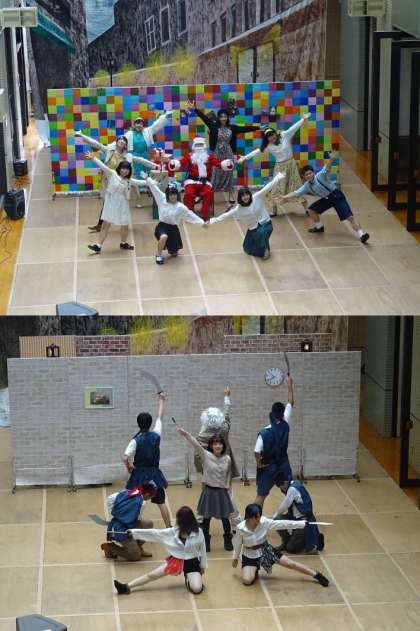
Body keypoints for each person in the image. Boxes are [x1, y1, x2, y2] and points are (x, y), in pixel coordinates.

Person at [280, 150, 370, 243]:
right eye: (306, 175)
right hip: (327, 199)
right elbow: (296, 193)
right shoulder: (307, 186)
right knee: (311, 210)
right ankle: (319, 227)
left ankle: (362, 234)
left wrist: (331, 158)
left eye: (310, 173)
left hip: (336, 196)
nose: (309, 175)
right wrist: (284, 197)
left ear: (313, 173)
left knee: (349, 217)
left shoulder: (320, 175)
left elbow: (328, 166)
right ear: (303, 177)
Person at [113, 506, 207, 595]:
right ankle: (126, 586)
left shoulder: (199, 532)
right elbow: (154, 533)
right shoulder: (172, 532)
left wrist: (202, 566)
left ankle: (189, 578)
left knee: (197, 589)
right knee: (152, 575)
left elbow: (203, 549)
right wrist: (133, 533)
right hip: (176, 560)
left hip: (192, 563)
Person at [232, 503, 329, 587]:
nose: (259, 519)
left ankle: (316, 574)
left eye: (260, 516)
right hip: (249, 555)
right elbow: (237, 544)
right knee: (247, 580)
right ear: (249, 517)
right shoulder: (240, 528)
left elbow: (283, 524)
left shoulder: (264, 522)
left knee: (290, 564)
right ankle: (255, 569)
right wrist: (235, 558)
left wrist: (301, 524)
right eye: (256, 517)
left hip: (266, 550)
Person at [187, 100, 259, 207]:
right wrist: (195, 109)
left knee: (229, 173)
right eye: (221, 116)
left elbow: (245, 129)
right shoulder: (213, 126)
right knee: (215, 173)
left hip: (228, 153)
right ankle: (207, 194)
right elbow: (204, 118)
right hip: (217, 152)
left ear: (227, 117)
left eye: (225, 116)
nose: (223, 118)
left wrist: (258, 128)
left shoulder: (232, 128)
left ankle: (231, 194)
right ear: (219, 117)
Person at [237, 114, 311, 217]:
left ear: (275, 133)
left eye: (272, 135)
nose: (271, 138)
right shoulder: (267, 146)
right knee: (276, 188)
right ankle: (274, 210)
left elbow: (293, 128)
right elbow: (257, 151)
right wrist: (245, 157)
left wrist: (302, 119)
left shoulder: (284, 135)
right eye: (269, 137)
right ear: (266, 139)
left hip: (291, 165)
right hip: (280, 168)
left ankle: (307, 209)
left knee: (297, 186)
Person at [176, 426, 234, 552]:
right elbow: (196, 444)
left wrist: (228, 487)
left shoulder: (227, 459)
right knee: (206, 519)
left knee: (225, 518)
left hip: (222, 492)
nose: (218, 446)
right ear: (211, 446)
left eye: (220, 443)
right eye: (215, 444)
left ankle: (227, 540)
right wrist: (186, 434)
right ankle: (206, 542)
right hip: (209, 492)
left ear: (223, 445)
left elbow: (228, 474)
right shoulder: (205, 455)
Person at [194, 386, 241, 532]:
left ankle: (201, 520)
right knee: (228, 493)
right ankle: (236, 522)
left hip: (208, 470)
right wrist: (227, 397)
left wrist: (200, 469)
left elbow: (197, 455)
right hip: (224, 467)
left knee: (205, 494)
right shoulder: (224, 429)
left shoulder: (202, 435)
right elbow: (226, 415)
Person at [208, 171, 285, 260]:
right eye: (243, 196)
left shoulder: (257, 197)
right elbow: (225, 216)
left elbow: (268, 186)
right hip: (253, 228)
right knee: (247, 248)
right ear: (240, 198)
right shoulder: (238, 209)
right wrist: (211, 221)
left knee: (260, 234)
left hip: (266, 224)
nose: (245, 197)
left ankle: (266, 250)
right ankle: (262, 248)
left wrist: (279, 177)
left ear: (249, 194)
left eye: (247, 194)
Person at [123, 391, 171, 528]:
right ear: (150, 423)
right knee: (161, 502)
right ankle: (169, 527)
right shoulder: (156, 434)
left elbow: (125, 457)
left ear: (138, 424)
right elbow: (160, 417)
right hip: (154, 475)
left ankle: (132, 527)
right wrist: (161, 400)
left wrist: (129, 466)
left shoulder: (135, 441)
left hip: (138, 476)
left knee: (135, 501)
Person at [139, 172, 205, 265]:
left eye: (174, 194)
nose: (173, 196)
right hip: (162, 226)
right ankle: (158, 255)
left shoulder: (180, 207)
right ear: (167, 195)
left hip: (173, 229)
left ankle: (172, 249)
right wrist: (147, 178)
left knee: (174, 253)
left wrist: (202, 222)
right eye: (171, 194)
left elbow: (190, 215)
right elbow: (154, 188)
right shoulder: (161, 198)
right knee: (163, 237)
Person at [85, 152, 145, 253]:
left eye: (127, 169)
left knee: (124, 224)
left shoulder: (128, 180)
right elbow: (103, 166)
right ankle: (98, 246)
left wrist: (150, 181)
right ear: (119, 168)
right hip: (110, 203)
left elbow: (140, 182)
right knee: (105, 224)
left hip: (122, 204)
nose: (125, 171)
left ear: (129, 171)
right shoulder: (112, 174)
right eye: (123, 168)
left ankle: (123, 243)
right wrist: (93, 158)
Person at [74, 132, 132, 232]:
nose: (122, 141)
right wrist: (82, 135)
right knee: (108, 203)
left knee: (111, 203)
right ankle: (104, 224)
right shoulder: (109, 150)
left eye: (124, 140)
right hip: (107, 180)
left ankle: (104, 224)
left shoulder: (127, 156)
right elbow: (96, 144)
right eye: (120, 139)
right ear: (116, 142)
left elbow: (137, 163)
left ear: (126, 145)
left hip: (118, 183)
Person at [254, 375, 294, 509]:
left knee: (261, 495)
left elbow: (257, 451)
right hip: (283, 464)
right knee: (290, 491)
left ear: (271, 413)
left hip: (269, 466)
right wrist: (289, 385)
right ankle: (295, 516)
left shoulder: (264, 432)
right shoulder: (286, 422)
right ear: (282, 414)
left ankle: (255, 518)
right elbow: (291, 403)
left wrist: (259, 464)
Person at [169, 137, 234, 220]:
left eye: (201, 145)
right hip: (191, 181)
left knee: (208, 193)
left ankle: (204, 215)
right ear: (194, 146)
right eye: (197, 145)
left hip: (205, 182)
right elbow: (181, 163)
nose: (199, 147)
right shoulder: (189, 156)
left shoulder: (209, 157)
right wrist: (175, 163)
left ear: (204, 146)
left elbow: (219, 164)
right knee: (189, 193)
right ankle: (189, 214)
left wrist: (226, 163)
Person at [121, 111, 173, 207]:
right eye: (137, 123)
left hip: (146, 156)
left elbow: (157, 125)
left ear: (143, 125)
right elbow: (120, 142)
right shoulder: (129, 134)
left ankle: (154, 195)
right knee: (134, 178)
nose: (139, 125)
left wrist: (165, 116)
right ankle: (138, 199)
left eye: (140, 123)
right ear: (134, 125)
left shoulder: (148, 131)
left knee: (150, 175)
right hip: (134, 158)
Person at [100, 482, 157, 561]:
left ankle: (137, 547)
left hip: (115, 523)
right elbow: (136, 520)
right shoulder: (142, 503)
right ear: (147, 494)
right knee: (135, 556)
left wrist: (118, 512)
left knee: (148, 524)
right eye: (150, 497)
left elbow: (109, 499)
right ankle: (110, 547)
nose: (150, 499)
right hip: (120, 529)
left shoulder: (127, 491)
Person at [273, 478, 325, 554]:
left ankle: (310, 541)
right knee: (277, 519)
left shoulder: (292, 489)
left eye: (282, 487)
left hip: (302, 521)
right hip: (294, 517)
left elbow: (285, 505)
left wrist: (274, 516)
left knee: (290, 548)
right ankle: (286, 541)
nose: (282, 490)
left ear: (285, 482)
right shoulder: (294, 483)